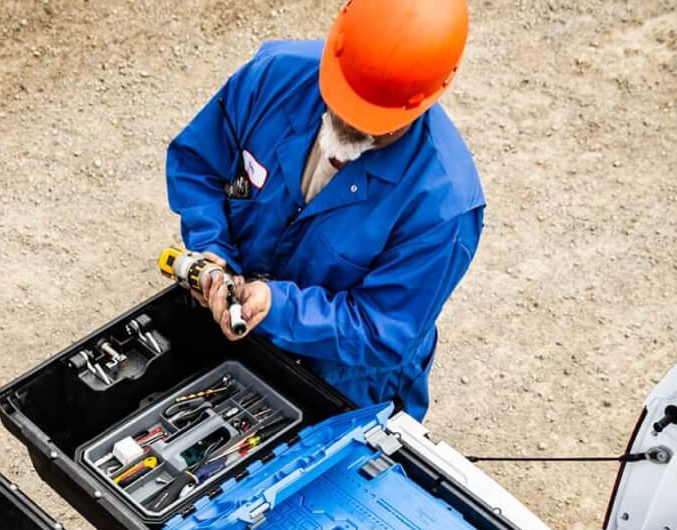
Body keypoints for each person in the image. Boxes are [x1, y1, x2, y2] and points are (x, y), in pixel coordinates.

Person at [166, 0, 483, 416]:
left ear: (429, 96)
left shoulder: (443, 205)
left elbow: (381, 329)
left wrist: (278, 307)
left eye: (375, 122)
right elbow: (198, 164)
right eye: (344, 99)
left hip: (347, 384)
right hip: (237, 336)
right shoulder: (274, 76)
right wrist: (214, 249)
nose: (349, 123)